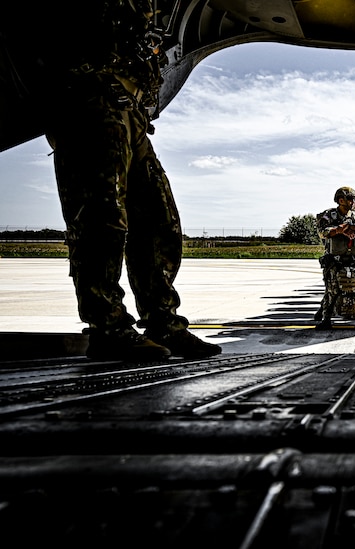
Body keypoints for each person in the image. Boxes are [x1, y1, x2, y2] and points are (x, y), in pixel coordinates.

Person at [39, 1, 220, 360]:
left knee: (158, 218)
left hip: (130, 108)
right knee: (100, 217)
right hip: (88, 93)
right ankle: (108, 327)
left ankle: (164, 322)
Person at [315, 186, 355, 330]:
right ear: (341, 200)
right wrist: (338, 230)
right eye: (352, 199)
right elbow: (322, 231)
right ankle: (326, 319)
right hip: (335, 260)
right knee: (331, 291)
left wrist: (352, 228)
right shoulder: (328, 215)